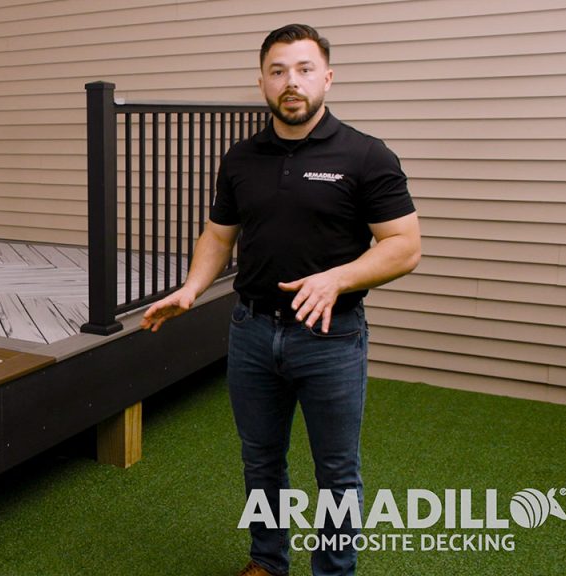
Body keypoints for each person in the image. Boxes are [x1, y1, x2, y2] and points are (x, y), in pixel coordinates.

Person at [140, 24, 421, 576]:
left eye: (303, 69)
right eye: (278, 71)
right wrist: (193, 288)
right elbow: (219, 234)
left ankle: (333, 572)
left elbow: (404, 246)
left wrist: (336, 279)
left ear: (327, 78)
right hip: (250, 330)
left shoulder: (366, 155)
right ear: (263, 81)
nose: (291, 82)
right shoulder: (241, 157)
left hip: (332, 337)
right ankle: (267, 562)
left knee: (337, 470)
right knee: (260, 459)